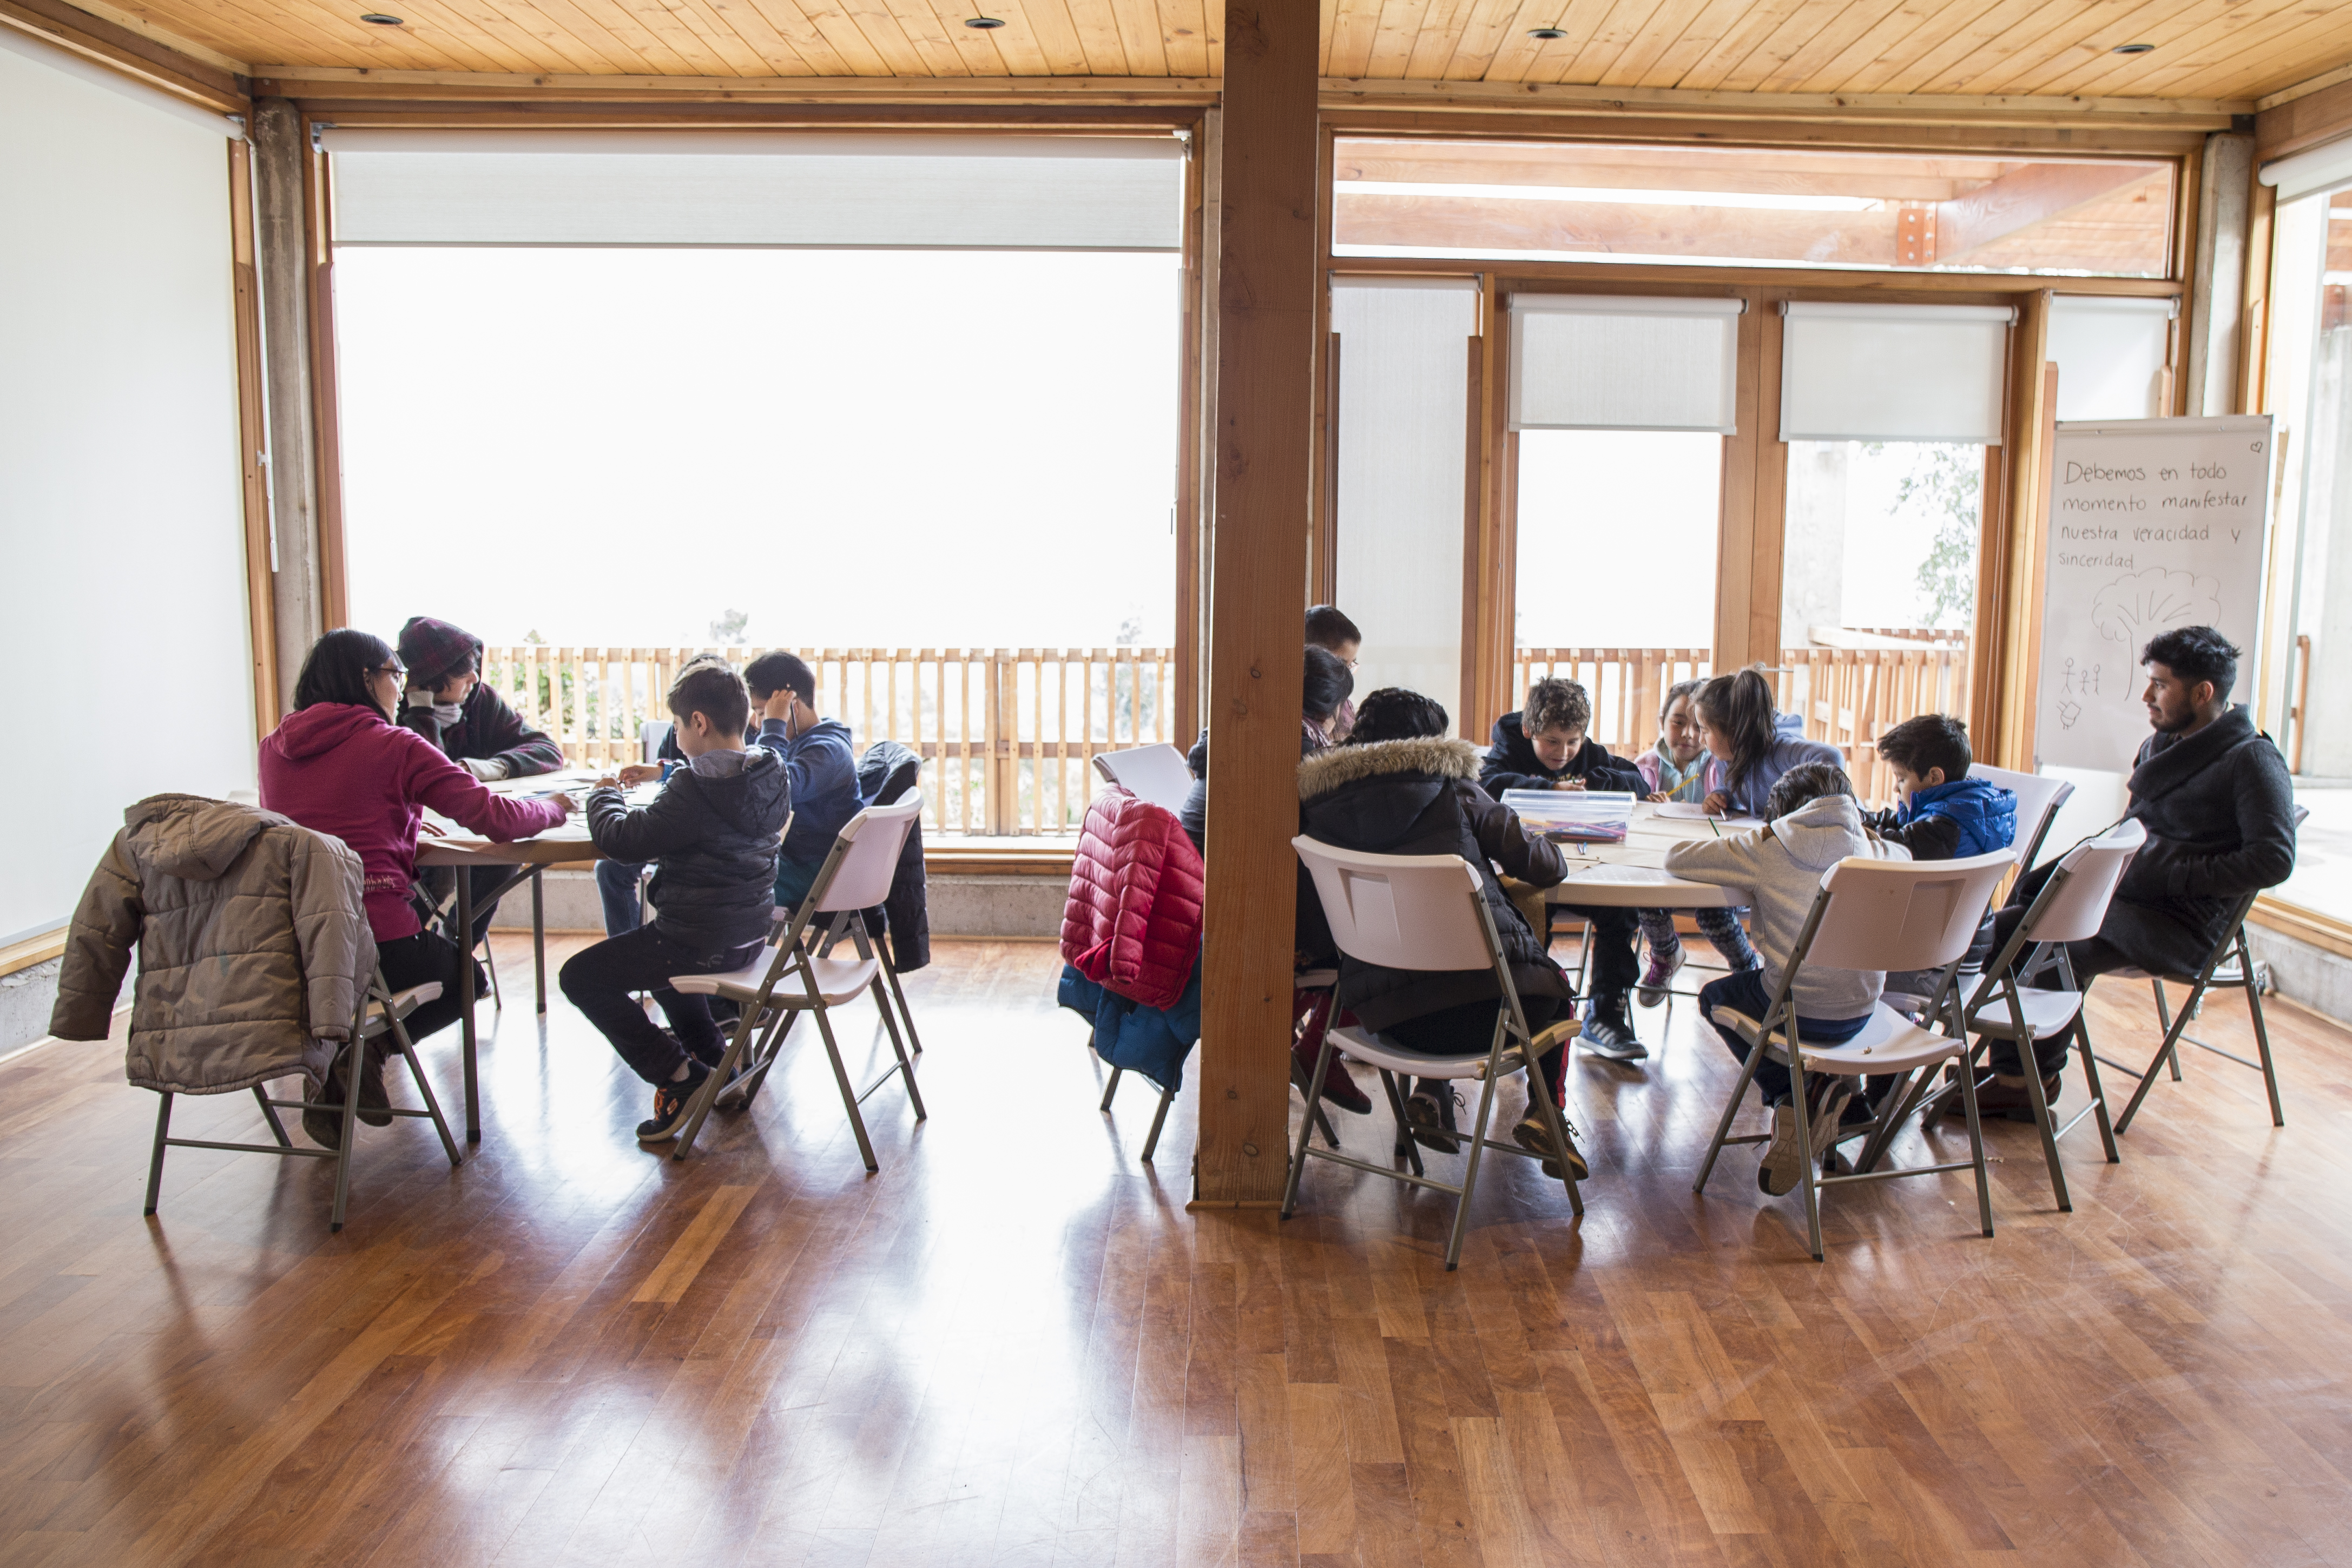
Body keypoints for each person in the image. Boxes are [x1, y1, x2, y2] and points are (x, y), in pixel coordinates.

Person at [259, 629, 572, 1147]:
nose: (400, 690)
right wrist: (555, 808)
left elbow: (324, 822)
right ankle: (366, 1054)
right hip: (376, 944)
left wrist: (398, 823)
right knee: (467, 979)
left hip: (298, 947)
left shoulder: (275, 748)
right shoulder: (394, 744)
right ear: (367, 678)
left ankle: (345, 1064)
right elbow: (493, 817)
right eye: (393, 675)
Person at [1978, 625, 2296, 1114]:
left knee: (2053, 943)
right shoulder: (2162, 745)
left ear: (2202, 693)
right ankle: (2015, 1070)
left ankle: (2025, 1086)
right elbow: (2133, 830)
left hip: (2182, 923)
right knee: (2001, 929)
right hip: (2129, 897)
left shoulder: (2252, 760)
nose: (2146, 695)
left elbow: (2273, 859)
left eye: (2160, 685)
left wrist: (2170, 873)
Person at [1296, 686, 1587, 1180]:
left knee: (1424, 978)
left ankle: (1429, 1092)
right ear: (1432, 743)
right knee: (1555, 990)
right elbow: (1544, 868)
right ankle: (1546, 1114)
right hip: (1486, 1019)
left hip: (1383, 1022)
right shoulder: (1455, 790)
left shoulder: (1318, 807)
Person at [559, 662, 790, 1144]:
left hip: (696, 941)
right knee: (656, 963)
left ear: (698, 723)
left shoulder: (695, 788)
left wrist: (603, 796)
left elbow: (622, 841)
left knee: (579, 976)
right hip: (750, 938)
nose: (678, 736)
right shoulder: (771, 770)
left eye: (679, 726)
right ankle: (716, 1071)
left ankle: (679, 1077)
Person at [1663, 761, 1910, 1196]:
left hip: (1797, 1013)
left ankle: (1794, 1096)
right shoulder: (1882, 851)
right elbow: (1907, 857)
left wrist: (1759, 836)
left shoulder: (1769, 847)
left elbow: (1677, 857)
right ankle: (1828, 1097)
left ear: (1781, 814)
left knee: (1714, 997)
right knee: (1774, 988)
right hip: (1864, 1014)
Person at [1478, 677, 1651, 1060]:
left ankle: (1605, 1014)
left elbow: (1636, 780)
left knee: (1621, 913)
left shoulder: (1587, 754)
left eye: (1572, 741)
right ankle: (1529, 1006)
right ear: (1529, 731)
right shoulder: (1509, 747)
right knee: (1530, 914)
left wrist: (1602, 782)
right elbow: (1487, 783)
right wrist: (1545, 789)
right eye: (1551, 742)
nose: (1563, 753)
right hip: (1526, 870)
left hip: (1587, 867)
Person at [395, 616, 566, 949]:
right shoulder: (396, 710)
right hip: (413, 832)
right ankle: (402, 949)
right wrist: (421, 713)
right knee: (438, 871)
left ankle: (458, 947)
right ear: (430, 681)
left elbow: (547, 750)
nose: (476, 677)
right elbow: (432, 775)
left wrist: (488, 768)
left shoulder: (479, 700)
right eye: (463, 673)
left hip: (472, 820)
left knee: (506, 852)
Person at [1631, 678, 1760, 1005]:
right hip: (1658, 863)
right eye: (1678, 723)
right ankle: (1664, 954)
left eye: (1697, 726)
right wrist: (1644, 801)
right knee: (1646, 897)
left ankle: (1746, 966)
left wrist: (1723, 799)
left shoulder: (1723, 765)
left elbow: (1742, 810)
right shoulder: (1644, 767)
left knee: (1713, 912)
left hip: (1709, 869)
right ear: (1662, 722)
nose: (1688, 734)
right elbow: (1632, 812)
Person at [594, 652, 738, 937]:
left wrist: (605, 795)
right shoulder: (764, 764)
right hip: (681, 828)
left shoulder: (734, 736)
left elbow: (700, 780)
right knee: (610, 869)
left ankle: (639, 960)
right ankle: (630, 948)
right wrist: (662, 772)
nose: (675, 730)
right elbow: (691, 778)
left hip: (703, 843)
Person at [1181, 644, 1353, 854]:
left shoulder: (1247, 724)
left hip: (1192, 864)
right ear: (1325, 709)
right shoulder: (1293, 744)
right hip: (1212, 876)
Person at [745, 651, 861, 912]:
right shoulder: (802, 741)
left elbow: (772, 790)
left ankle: (733, 953)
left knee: (720, 884)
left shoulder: (828, 751)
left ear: (791, 707)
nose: (757, 723)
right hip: (797, 862)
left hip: (817, 873)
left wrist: (774, 725)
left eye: (762, 713)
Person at [1859, 713, 2016, 861]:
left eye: (1901, 779)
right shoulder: (1959, 806)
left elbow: (1889, 846)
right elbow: (1895, 822)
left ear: (1934, 777)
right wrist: (1855, 816)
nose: (1896, 788)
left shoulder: (1945, 829)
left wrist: (1850, 827)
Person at [1691, 668, 1843, 819]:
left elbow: (1831, 755)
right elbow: (1727, 787)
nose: (1701, 740)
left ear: (1734, 732)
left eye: (1705, 731)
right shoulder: (1725, 756)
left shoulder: (1780, 750)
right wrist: (1721, 796)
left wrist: (1814, 810)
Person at [1306, 604, 1362, 741]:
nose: (1347, 676)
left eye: (1351, 665)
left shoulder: (1346, 707)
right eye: (1341, 664)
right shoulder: (1304, 707)